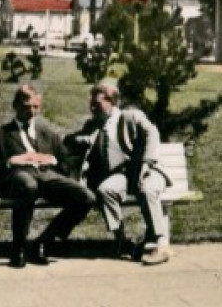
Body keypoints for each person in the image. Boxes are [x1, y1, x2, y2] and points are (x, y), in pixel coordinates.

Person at [0, 85, 100, 269]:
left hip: (46, 177)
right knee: (28, 184)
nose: (31, 111)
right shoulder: (0, 136)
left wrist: (52, 159)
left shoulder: (48, 135)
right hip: (17, 179)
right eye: (26, 106)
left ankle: (44, 242)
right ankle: (18, 247)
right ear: (15, 106)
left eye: (36, 107)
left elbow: (66, 164)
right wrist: (12, 160)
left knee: (87, 197)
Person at [67, 79, 174, 266]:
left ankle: (161, 245)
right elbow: (72, 140)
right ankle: (121, 239)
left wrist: (146, 164)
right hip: (125, 175)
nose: (92, 108)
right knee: (106, 190)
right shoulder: (93, 124)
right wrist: (80, 140)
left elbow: (152, 133)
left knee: (147, 189)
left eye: (97, 104)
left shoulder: (131, 116)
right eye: (91, 103)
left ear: (112, 102)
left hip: (150, 170)